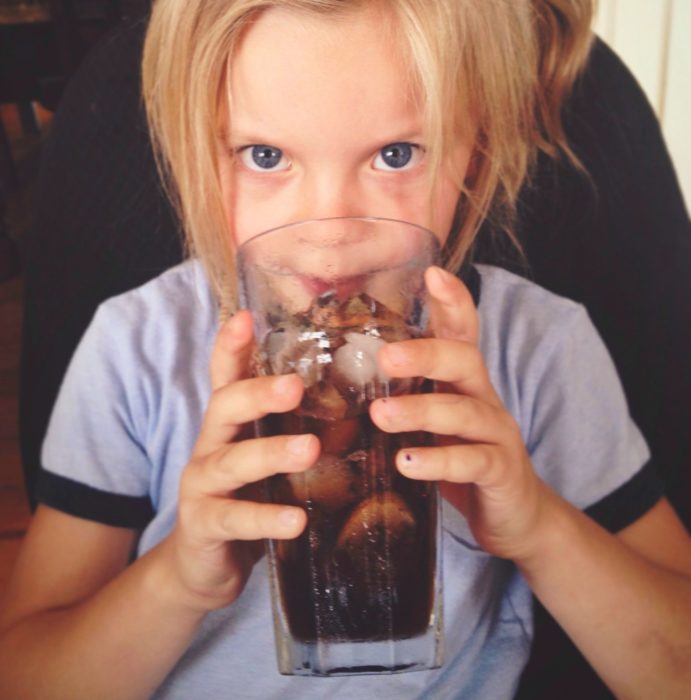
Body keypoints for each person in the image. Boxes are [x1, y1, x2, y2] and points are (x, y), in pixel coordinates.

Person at [2, 0, 691, 698]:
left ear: (475, 155)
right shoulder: (134, 351)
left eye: (397, 154)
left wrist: (538, 525)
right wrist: (179, 577)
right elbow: (27, 678)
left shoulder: (540, 349)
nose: (328, 229)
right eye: (264, 156)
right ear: (191, 154)